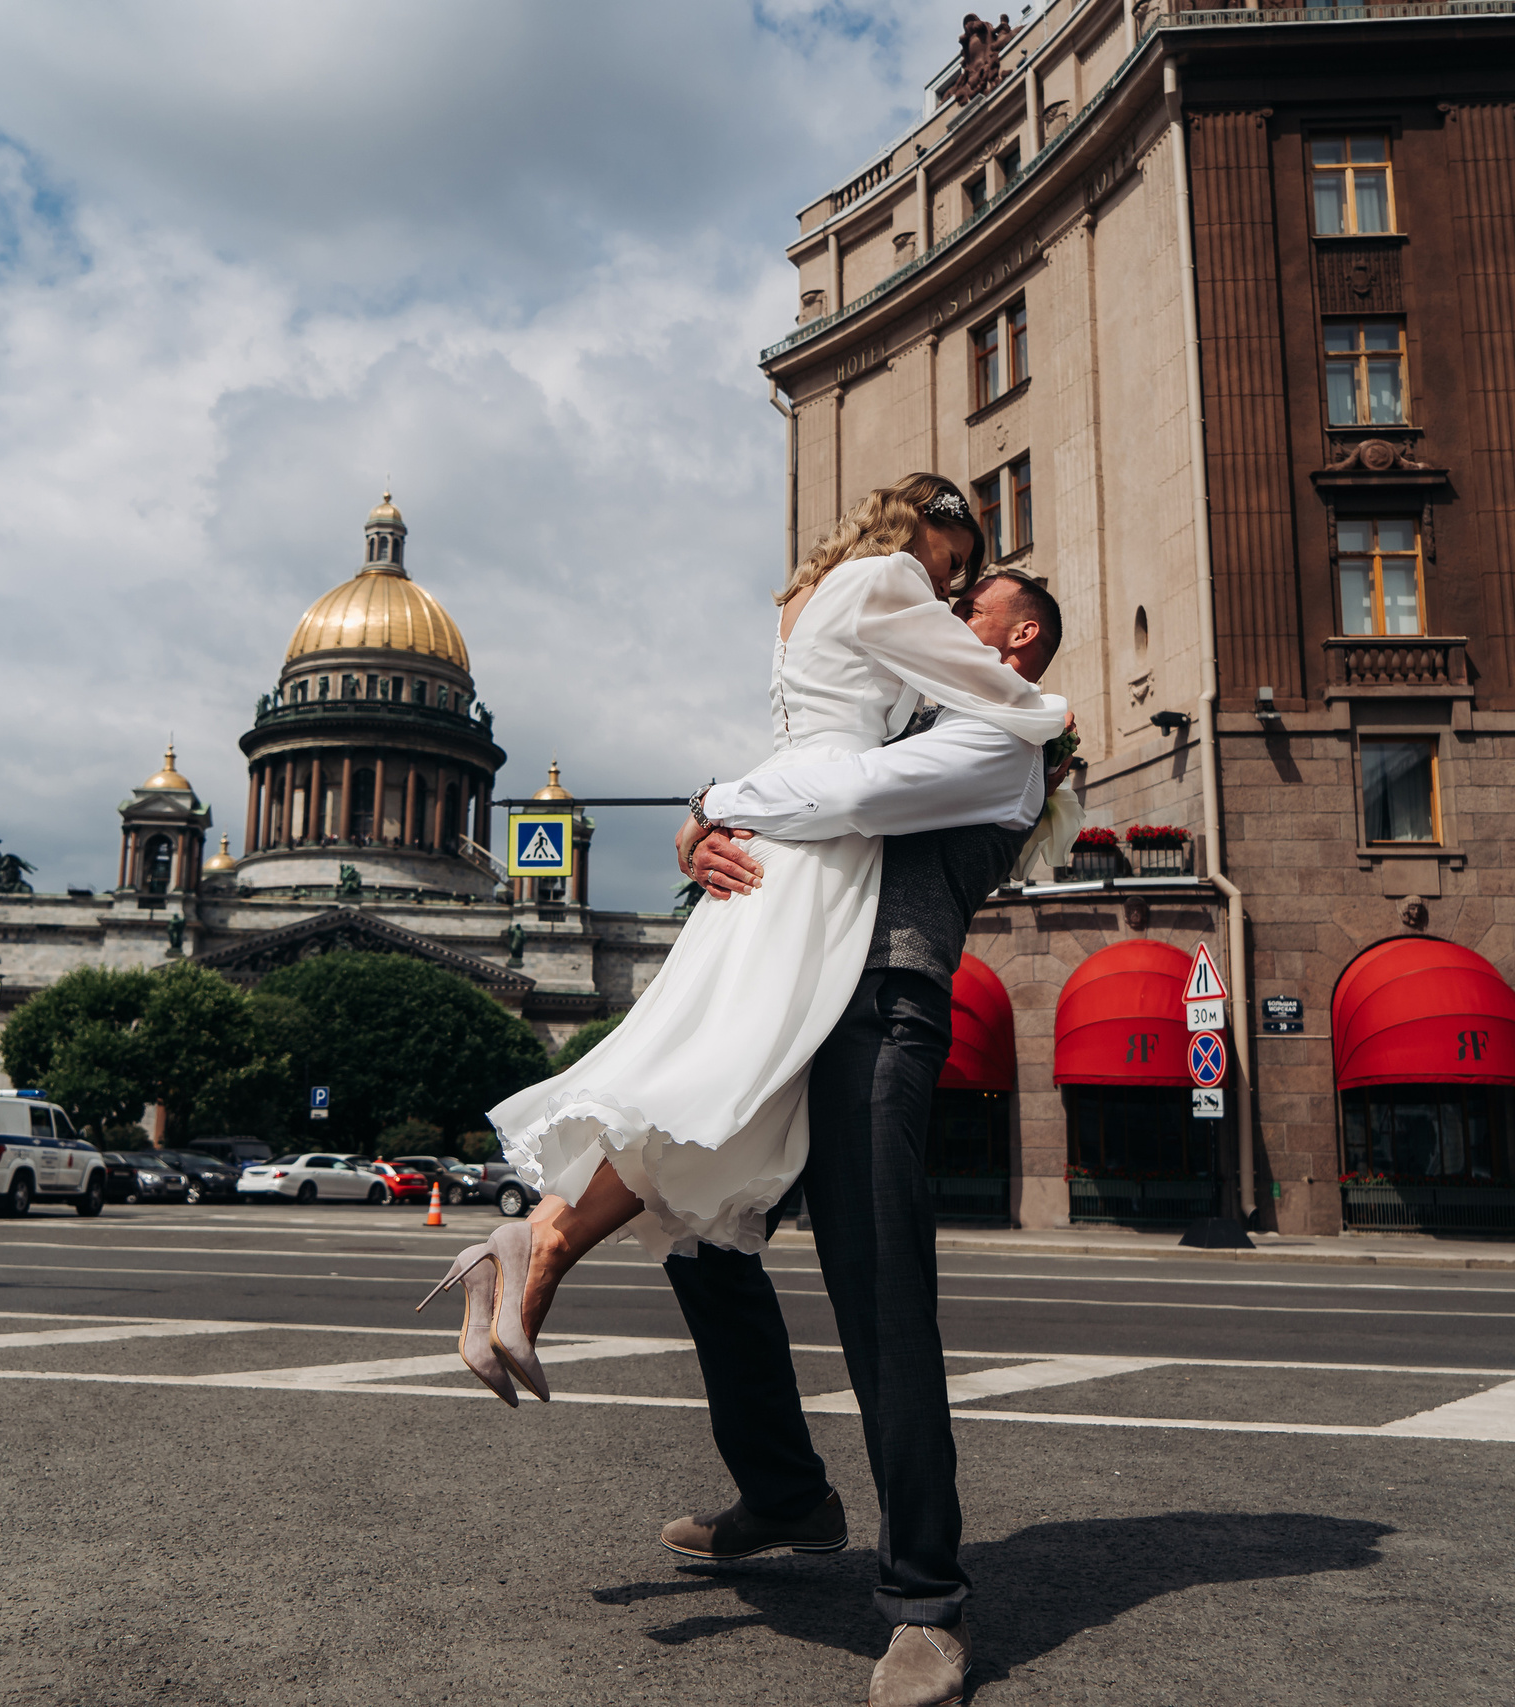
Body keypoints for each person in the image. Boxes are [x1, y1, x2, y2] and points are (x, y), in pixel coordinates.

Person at [420, 478, 1062, 1420]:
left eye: (970, 593)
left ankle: (539, 1242)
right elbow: (911, 743)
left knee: (707, 1087)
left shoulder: (814, 598)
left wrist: (714, 806)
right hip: (805, 871)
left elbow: (850, 743)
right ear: (926, 525)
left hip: (802, 869)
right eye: (952, 567)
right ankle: (543, 1247)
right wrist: (1053, 717)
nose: (951, 596)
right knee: (712, 1088)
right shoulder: (891, 582)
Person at [644, 569, 1066, 1706]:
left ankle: (925, 1603)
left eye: (964, 606)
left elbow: (849, 797)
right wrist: (699, 838)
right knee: (696, 1230)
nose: (936, 616)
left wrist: (712, 799)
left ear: (1017, 638)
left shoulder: (996, 742)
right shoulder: (914, 706)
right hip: (791, 995)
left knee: (880, 1298)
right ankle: (785, 1495)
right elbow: (804, 782)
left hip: (881, 1007)